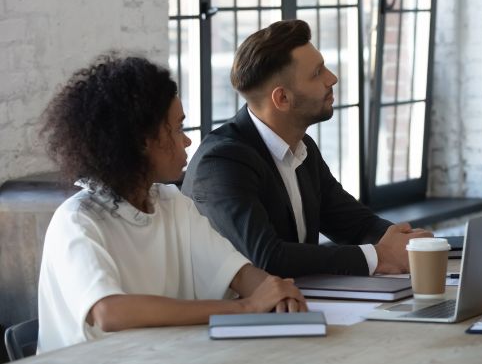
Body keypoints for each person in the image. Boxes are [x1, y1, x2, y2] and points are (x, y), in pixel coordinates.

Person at [37, 55, 307, 352]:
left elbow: (240, 274)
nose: (187, 141)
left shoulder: (173, 204)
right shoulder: (78, 221)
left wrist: (276, 293)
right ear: (143, 141)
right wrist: (247, 308)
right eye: (178, 128)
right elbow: (110, 313)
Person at [182, 20, 429, 277]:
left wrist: (412, 244)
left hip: (297, 306)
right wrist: (379, 257)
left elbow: (354, 223)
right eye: (317, 73)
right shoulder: (223, 161)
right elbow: (267, 258)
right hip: (235, 314)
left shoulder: (301, 147)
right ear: (282, 99)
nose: (332, 78)